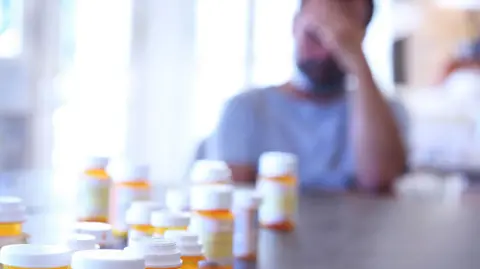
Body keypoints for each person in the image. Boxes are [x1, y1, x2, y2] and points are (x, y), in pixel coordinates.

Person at [205, 0, 407, 192]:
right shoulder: (245, 109)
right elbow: (233, 200)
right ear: (295, 25)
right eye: (315, 36)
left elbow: (379, 179)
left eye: (343, 39)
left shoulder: (387, 112)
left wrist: (358, 64)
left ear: (362, 38)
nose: (325, 52)